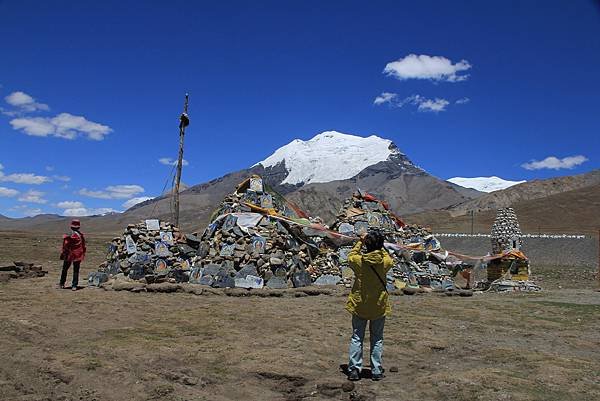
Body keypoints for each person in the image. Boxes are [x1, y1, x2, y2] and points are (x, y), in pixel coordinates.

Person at [345, 230, 393, 381]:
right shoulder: (385, 263)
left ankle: (354, 369)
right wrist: (379, 245)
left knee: (357, 337)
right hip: (378, 306)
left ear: (367, 244)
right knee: (377, 338)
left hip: (360, 305)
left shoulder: (359, 262)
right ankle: (376, 370)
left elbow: (351, 256)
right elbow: (388, 257)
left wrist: (360, 241)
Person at [59, 219, 86, 290]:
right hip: (78, 255)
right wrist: (83, 253)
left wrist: (63, 252)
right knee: (76, 270)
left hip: (69, 255)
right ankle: (74, 285)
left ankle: (62, 283)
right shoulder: (80, 235)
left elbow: (65, 245)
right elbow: (83, 245)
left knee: (65, 269)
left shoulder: (68, 235)